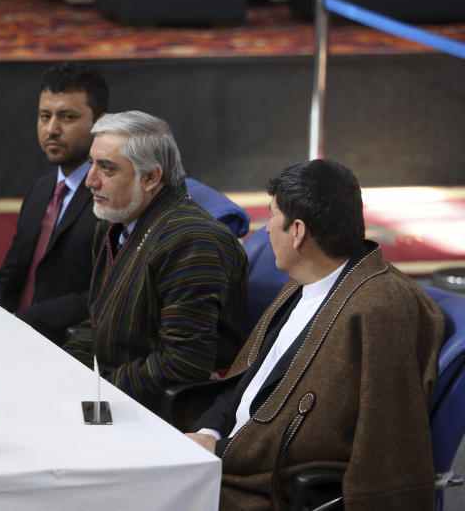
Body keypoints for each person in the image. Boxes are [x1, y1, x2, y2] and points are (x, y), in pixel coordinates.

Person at [184, 159, 444, 510]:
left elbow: (329, 437)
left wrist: (221, 450)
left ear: (298, 232)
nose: (265, 231)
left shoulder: (378, 311)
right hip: (227, 454)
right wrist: (209, 432)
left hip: (257, 487)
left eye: (272, 217)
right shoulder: (306, 281)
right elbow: (247, 379)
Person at [62, 111, 247, 410]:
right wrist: (62, 370)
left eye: (106, 168)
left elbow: (183, 363)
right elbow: (99, 324)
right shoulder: (115, 225)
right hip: (117, 395)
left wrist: (96, 388)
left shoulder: (192, 242)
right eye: (90, 164)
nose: (89, 181)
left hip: (154, 416)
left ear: (150, 178)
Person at [0, 62, 108, 344]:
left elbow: (106, 296)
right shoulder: (41, 190)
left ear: (100, 122)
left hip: (68, 346)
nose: (52, 129)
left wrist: (26, 321)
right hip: (14, 335)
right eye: (44, 116)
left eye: (67, 117)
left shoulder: (110, 199)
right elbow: (8, 278)